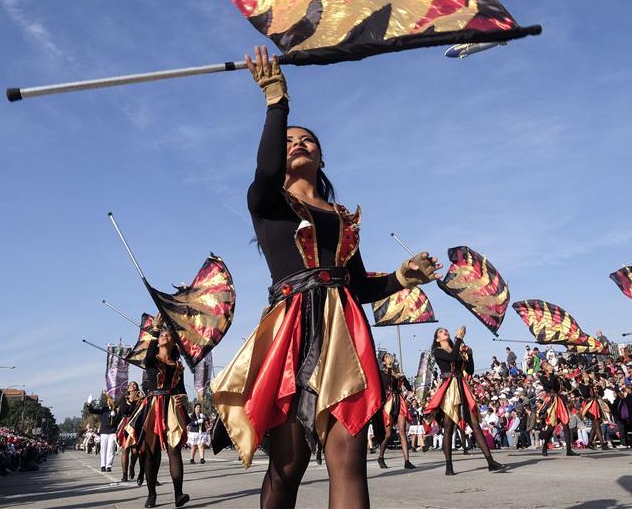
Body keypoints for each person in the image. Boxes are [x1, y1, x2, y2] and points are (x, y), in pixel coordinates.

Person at [211, 47, 441, 509]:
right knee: (288, 465)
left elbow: (359, 286)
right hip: (291, 331)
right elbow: (269, 167)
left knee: (348, 460)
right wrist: (277, 101)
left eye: (308, 142)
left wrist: (403, 276)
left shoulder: (341, 217)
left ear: (322, 157)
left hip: (344, 334)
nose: (298, 144)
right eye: (291, 140)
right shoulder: (266, 202)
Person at [425, 327, 505, 475]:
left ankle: (490, 461)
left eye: (445, 331)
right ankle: (449, 465)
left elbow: (470, 370)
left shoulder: (458, 349)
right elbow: (451, 358)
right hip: (449, 387)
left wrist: (470, 354)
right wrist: (459, 339)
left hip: (462, 385)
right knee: (448, 425)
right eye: (441, 332)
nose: (445, 332)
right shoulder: (437, 351)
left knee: (474, 423)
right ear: (437, 339)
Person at [126, 325, 190, 508]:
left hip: (171, 408)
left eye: (167, 334)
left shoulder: (178, 366)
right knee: (151, 453)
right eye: (161, 335)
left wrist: (182, 399)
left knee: (174, 449)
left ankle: (178, 494)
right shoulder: (151, 361)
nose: (164, 336)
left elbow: (182, 390)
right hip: (153, 406)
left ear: (173, 341)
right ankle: (151, 494)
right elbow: (149, 353)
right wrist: (154, 330)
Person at [375, 353, 415, 470]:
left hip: (399, 401)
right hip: (388, 402)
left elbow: (409, 387)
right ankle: (381, 456)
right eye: (387, 357)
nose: (389, 358)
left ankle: (407, 461)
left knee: (402, 431)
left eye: (390, 356)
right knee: (387, 434)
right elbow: (385, 385)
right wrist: (391, 372)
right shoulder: (382, 373)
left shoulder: (398, 373)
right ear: (383, 362)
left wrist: (402, 377)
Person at [537, 362, 578, 457]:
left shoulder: (556, 376)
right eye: (546, 364)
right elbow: (550, 384)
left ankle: (569, 450)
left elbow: (568, 387)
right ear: (544, 368)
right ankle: (544, 446)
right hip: (551, 401)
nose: (548, 365)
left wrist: (564, 377)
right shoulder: (543, 377)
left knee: (566, 425)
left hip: (559, 401)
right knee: (551, 427)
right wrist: (553, 374)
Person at [116, 381, 145, 484]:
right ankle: (124, 474)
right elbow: (123, 412)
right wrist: (129, 402)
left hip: (136, 424)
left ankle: (132, 466)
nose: (133, 386)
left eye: (135, 384)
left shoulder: (140, 399)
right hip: (127, 424)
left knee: (135, 451)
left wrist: (139, 400)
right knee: (125, 449)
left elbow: (141, 411)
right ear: (128, 388)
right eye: (131, 385)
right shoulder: (125, 398)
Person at [86, 393, 119, 474]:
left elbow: (119, 419)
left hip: (113, 431)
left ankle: (108, 466)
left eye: (110, 400)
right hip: (104, 431)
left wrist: (115, 415)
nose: (109, 401)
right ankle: (103, 465)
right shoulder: (104, 409)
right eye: (108, 400)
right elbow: (93, 411)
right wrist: (89, 404)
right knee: (103, 448)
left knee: (111, 449)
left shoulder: (117, 409)